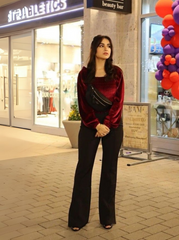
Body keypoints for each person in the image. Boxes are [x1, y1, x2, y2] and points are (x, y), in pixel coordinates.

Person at [68, 35, 124, 231]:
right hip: (89, 124)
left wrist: (106, 124)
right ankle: (78, 218)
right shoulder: (84, 75)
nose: (106, 49)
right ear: (94, 49)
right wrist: (95, 124)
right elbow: (82, 104)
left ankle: (107, 217)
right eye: (101, 45)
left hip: (113, 125)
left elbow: (118, 101)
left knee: (109, 171)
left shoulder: (117, 73)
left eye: (109, 45)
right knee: (84, 169)